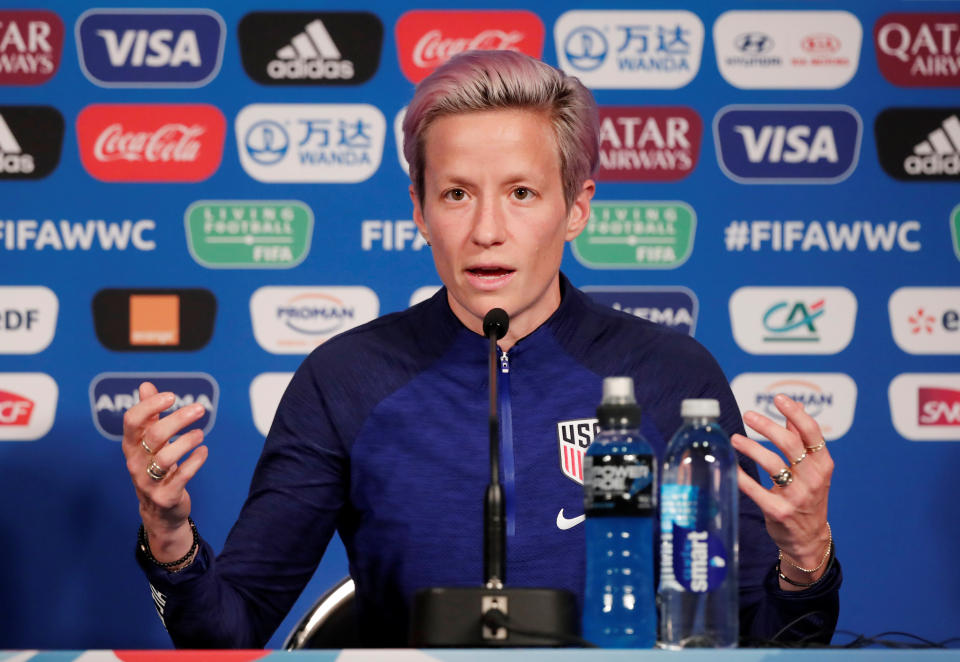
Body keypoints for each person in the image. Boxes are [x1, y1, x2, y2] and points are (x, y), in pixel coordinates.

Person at [122, 50, 840, 648]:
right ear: (420, 211)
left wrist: (805, 560)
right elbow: (227, 637)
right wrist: (170, 540)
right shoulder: (346, 379)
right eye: (458, 194)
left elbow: (760, 646)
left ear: (577, 207)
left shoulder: (666, 375)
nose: (487, 229)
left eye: (522, 193)